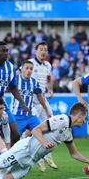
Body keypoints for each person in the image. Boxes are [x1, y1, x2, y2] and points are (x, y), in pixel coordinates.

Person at [29, 42, 57, 171]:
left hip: (43, 100)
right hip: (31, 102)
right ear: (35, 51)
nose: (43, 52)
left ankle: (47, 155)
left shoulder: (47, 65)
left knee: (50, 125)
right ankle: (38, 158)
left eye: (45, 50)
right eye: (41, 49)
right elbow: (20, 77)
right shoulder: (29, 63)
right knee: (31, 131)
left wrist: (50, 90)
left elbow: (49, 79)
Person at [10, 60, 51, 140]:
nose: (29, 71)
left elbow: (40, 97)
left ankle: (34, 149)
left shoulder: (34, 82)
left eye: (31, 69)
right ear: (21, 69)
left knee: (41, 133)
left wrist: (47, 110)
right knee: (14, 140)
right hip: (17, 116)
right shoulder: (14, 80)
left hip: (30, 116)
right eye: (27, 68)